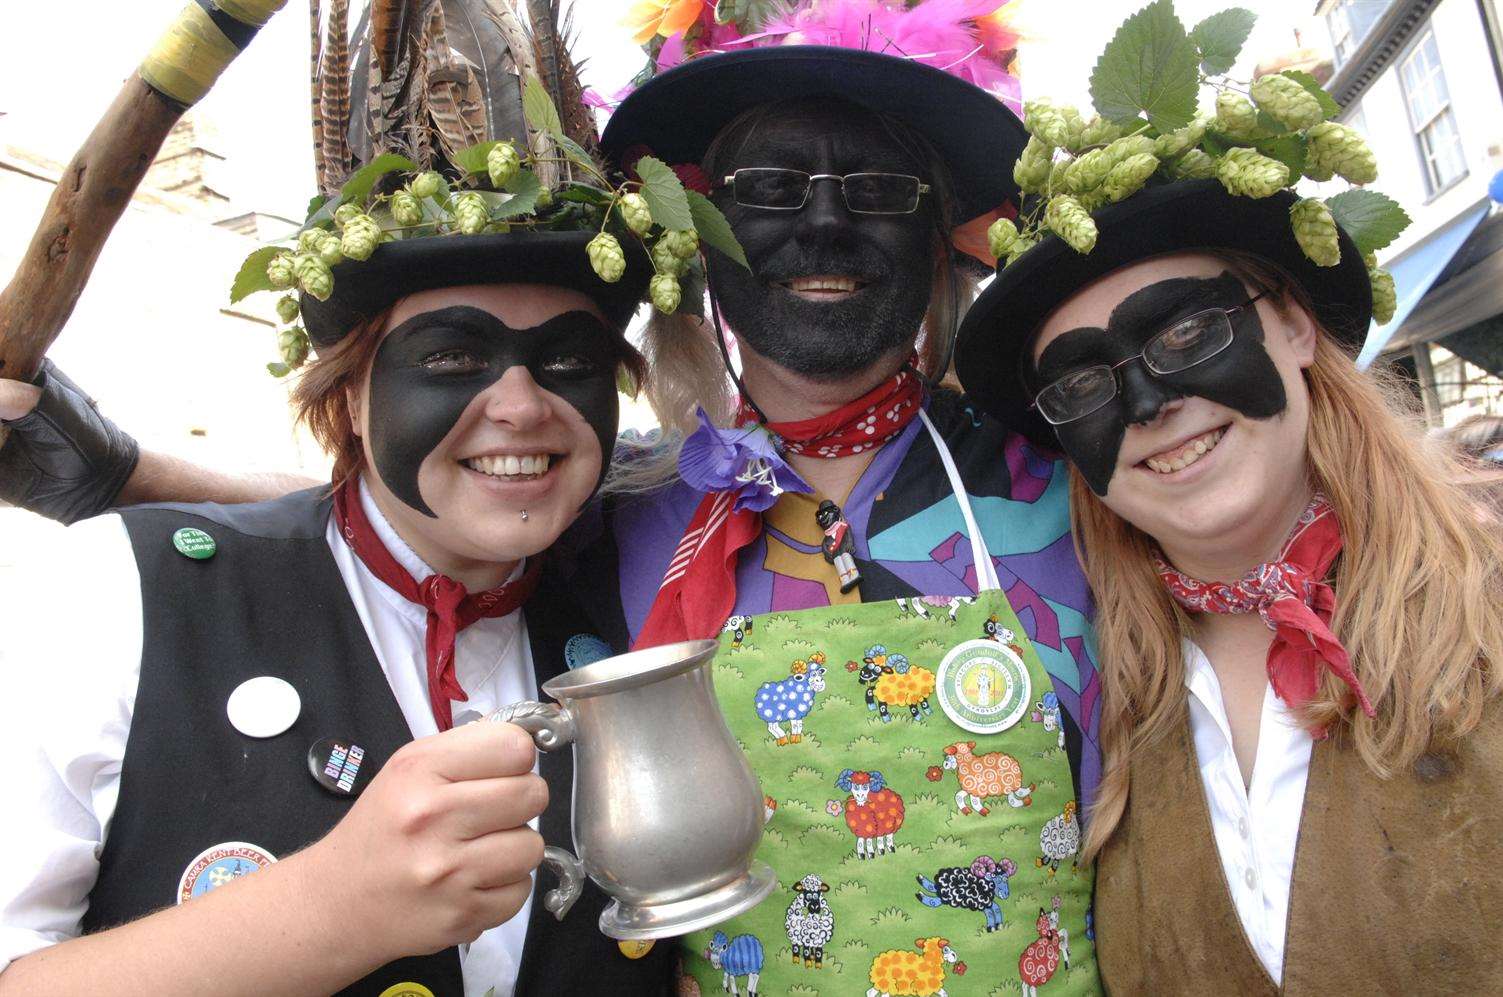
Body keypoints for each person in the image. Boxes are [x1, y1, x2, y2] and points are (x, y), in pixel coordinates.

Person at [2, 3, 1107, 991]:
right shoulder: (630, 510)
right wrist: (119, 478)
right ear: (703, 242)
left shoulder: (1088, 485)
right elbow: (407, 525)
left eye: (876, 191)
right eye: (769, 191)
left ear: (938, 235)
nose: (823, 226)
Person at [0, 3, 741, 990]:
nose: (519, 404)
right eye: (453, 355)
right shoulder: (118, 594)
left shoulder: (640, 587)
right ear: (348, 398)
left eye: (565, 361)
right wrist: (328, 908)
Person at [953, 32, 1503, 993]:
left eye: (1184, 329)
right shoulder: (1099, 699)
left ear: (1290, 324)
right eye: (1083, 384)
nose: (1150, 403)